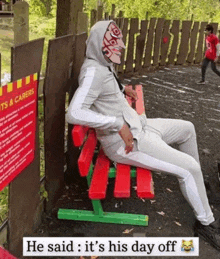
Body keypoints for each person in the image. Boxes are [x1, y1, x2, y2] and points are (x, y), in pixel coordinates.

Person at [66, 20, 220, 250]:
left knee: (187, 128)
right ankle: (206, 223)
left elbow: (105, 91)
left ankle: (196, 185)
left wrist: (122, 89)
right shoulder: (93, 72)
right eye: (114, 41)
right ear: (101, 43)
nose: (120, 45)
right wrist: (116, 123)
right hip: (126, 144)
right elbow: (74, 112)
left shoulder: (102, 64)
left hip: (140, 127)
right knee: (189, 168)